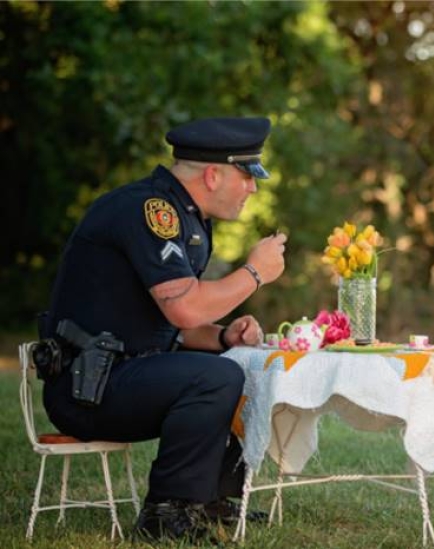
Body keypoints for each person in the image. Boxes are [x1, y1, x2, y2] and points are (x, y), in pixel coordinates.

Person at [39, 116, 288, 541]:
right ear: (213, 175)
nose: (253, 189)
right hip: (87, 388)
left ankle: (213, 497)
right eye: (248, 176)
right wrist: (254, 273)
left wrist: (224, 336)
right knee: (217, 377)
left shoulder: (186, 215)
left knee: (238, 361)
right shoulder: (150, 211)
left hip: (121, 373)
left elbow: (172, 323)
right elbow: (185, 309)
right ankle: (167, 512)